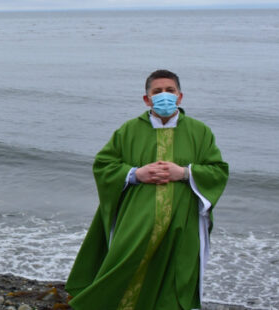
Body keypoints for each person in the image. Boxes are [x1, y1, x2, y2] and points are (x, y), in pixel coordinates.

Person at [65, 69, 229, 309]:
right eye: (157, 91)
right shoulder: (129, 130)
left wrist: (184, 173)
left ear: (180, 96)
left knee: (176, 271)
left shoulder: (199, 131)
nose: (164, 96)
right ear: (147, 99)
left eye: (170, 91)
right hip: (136, 218)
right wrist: (135, 174)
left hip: (181, 220)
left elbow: (218, 170)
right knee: (125, 262)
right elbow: (104, 165)